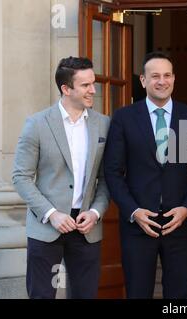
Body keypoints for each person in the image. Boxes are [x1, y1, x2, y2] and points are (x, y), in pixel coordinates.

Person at [103, 52, 187, 298]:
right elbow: (112, 171)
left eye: (167, 75)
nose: (162, 81)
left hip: (180, 225)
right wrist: (133, 211)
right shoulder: (124, 117)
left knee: (180, 296)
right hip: (138, 225)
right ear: (143, 80)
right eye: (155, 76)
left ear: (174, 78)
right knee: (138, 292)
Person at [12, 57, 110, 298]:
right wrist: (52, 214)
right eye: (86, 85)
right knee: (41, 295)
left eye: (93, 83)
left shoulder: (105, 124)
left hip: (86, 227)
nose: (93, 90)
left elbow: (108, 179)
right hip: (46, 226)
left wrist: (96, 212)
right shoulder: (36, 124)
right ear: (66, 89)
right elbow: (21, 177)